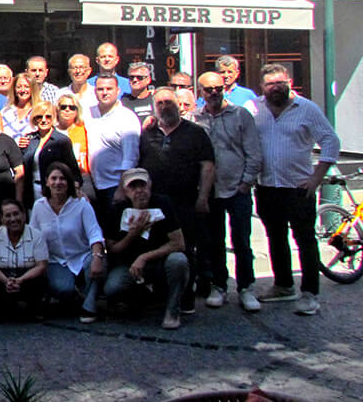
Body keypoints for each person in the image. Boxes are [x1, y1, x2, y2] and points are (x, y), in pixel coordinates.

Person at [252, 63, 340, 316]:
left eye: (280, 83)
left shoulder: (307, 108)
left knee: (305, 240)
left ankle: (310, 293)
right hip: (267, 185)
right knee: (276, 238)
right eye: (270, 84)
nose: (276, 88)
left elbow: (330, 141)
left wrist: (316, 178)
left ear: (289, 82)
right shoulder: (255, 109)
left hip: (298, 187)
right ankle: (283, 286)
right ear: (262, 87)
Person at [138, 88, 215, 315]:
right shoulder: (147, 132)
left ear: (178, 104)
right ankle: (163, 295)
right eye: (159, 103)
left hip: (185, 201)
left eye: (168, 102)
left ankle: (186, 297)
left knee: (185, 249)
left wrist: (203, 197)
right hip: (154, 203)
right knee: (158, 246)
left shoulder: (195, 132)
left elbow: (208, 166)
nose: (164, 106)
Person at [194, 71, 262, 312]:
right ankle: (219, 285)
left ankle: (246, 287)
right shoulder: (196, 119)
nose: (214, 93)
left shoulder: (241, 115)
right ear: (200, 91)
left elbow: (254, 152)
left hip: (237, 188)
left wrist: (246, 183)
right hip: (211, 191)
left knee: (242, 241)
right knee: (215, 241)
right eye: (208, 89)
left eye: (218, 88)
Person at [104, 168, 189, 330]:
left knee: (178, 261)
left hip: (160, 263)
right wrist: (133, 234)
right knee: (112, 287)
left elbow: (179, 243)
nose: (139, 191)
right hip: (128, 265)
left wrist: (144, 257)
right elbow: (113, 249)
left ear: (149, 185)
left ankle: (172, 310)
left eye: (142, 185)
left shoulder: (163, 203)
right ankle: (140, 298)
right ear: (125, 190)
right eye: (133, 187)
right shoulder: (117, 210)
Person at [30, 162, 106, 322]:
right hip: (55, 260)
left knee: (98, 262)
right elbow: (33, 236)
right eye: (54, 178)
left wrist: (97, 256)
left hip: (82, 255)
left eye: (63, 179)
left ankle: (89, 306)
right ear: (47, 182)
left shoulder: (81, 205)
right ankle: (76, 296)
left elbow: (95, 233)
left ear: (69, 182)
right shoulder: (39, 206)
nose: (58, 182)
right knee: (63, 289)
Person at [0, 198, 49, 320]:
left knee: (40, 282)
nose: (13, 219)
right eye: (8, 216)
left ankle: (33, 306)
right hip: (3, 278)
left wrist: (21, 280)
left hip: (28, 278)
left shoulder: (37, 235)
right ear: (2, 219)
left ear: (24, 215)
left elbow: (41, 266)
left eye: (16, 214)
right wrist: (5, 281)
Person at [84, 75, 141, 218]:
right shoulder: (88, 113)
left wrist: (122, 189)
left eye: (109, 89)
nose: (104, 92)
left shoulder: (127, 118)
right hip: (93, 185)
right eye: (100, 89)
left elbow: (131, 159)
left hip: (115, 186)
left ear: (118, 91)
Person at [18, 101, 81, 209]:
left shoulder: (62, 141)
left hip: (55, 193)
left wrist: (75, 190)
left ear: (54, 118)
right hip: (31, 192)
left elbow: (74, 171)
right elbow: (22, 168)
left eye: (48, 117)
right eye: (39, 117)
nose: (43, 120)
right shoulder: (29, 139)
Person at [54, 91, 90, 182]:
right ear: (57, 110)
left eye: (72, 107)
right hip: (59, 179)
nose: (67, 110)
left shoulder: (85, 129)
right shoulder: (52, 131)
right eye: (63, 107)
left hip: (82, 176)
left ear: (77, 111)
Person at [0, 74, 35, 140]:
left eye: (27, 87)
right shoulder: (5, 111)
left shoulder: (38, 111)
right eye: (19, 87)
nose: (22, 90)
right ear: (14, 90)